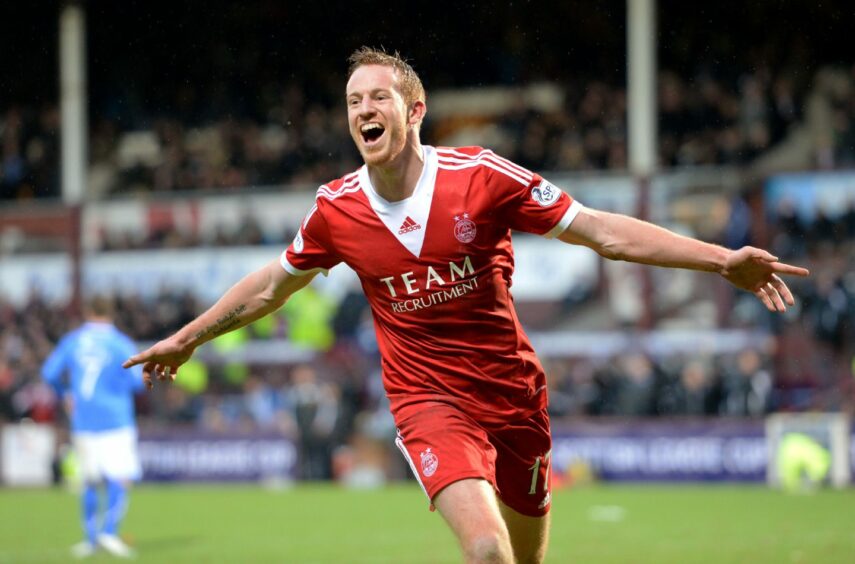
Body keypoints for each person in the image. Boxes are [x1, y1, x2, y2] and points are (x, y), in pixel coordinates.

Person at [124, 47, 810, 563]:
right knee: (486, 553)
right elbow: (272, 285)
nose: (362, 109)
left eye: (378, 98)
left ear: (413, 111)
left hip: (512, 395)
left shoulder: (481, 178)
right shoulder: (335, 210)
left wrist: (721, 259)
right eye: (352, 100)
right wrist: (189, 336)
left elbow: (602, 231)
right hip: (426, 401)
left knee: (523, 559)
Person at [43, 295, 144, 559]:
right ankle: (109, 533)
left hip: (84, 420)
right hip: (116, 419)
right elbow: (137, 381)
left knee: (89, 479)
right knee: (119, 476)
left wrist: (66, 393)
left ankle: (89, 540)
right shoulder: (121, 343)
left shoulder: (73, 341)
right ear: (111, 312)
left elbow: (49, 373)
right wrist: (115, 390)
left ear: (88, 311)